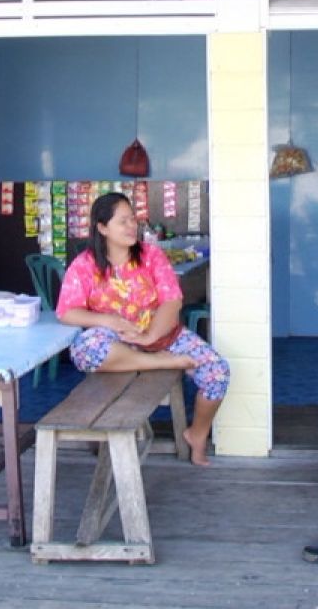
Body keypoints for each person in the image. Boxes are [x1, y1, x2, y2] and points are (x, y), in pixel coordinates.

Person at [56, 192, 230, 466]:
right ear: (102, 228)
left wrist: (151, 335)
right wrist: (110, 321)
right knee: (86, 350)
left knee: (217, 373)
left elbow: (172, 301)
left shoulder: (151, 256)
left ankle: (197, 434)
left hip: (161, 335)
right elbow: (67, 312)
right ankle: (153, 362)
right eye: (122, 221)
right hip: (117, 340)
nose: (131, 226)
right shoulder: (85, 265)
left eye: (132, 220)